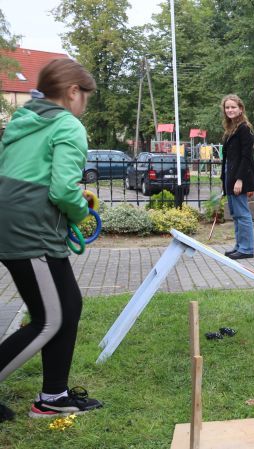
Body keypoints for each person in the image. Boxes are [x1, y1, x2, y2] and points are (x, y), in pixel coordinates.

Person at [0, 58, 103, 421]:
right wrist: (80, 211)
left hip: (15, 223)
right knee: (50, 319)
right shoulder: (68, 125)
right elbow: (62, 190)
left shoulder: (24, 120)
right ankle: (51, 398)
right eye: (85, 97)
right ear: (73, 92)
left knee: (68, 305)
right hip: (33, 230)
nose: (84, 105)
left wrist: (71, 200)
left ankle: (53, 396)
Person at [221, 94, 254, 260]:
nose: (230, 110)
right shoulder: (231, 128)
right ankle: (239, 246)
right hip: (230, 175)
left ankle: (246, 248)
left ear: (240, 109)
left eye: (233, 107)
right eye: (227, 107)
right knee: (236, 214)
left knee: (242, 214)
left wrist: (239, 180)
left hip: (239, 177)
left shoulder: (244, 128)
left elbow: (246, 157)